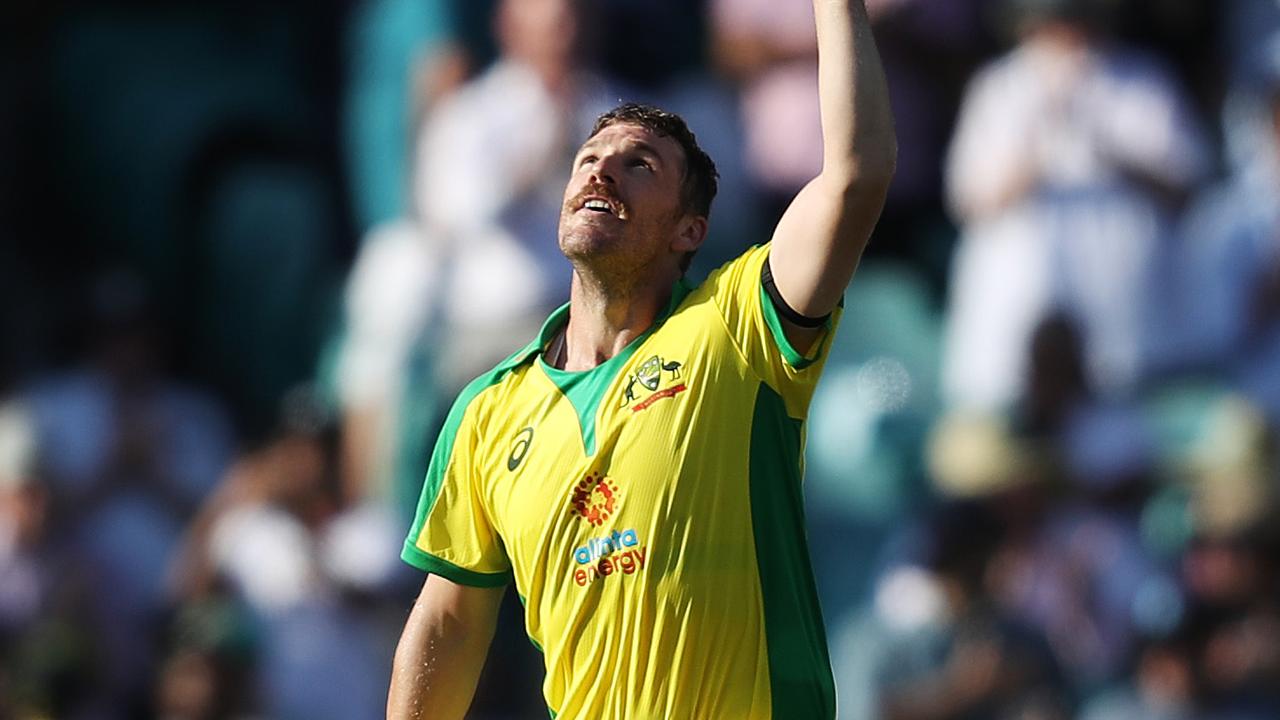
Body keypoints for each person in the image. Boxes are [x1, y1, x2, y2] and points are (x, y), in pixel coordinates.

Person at [386, 1, 896, 716]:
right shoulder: (487, 413)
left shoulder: (735, 326)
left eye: (639, 166)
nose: (602, 173)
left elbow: (856, 176)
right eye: (588, 160)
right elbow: (447, 622)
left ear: (690, 229)